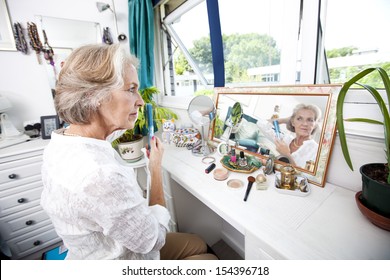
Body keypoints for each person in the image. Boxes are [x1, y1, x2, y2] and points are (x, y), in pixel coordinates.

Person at [40, 44, 217, 260]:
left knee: (197, 242)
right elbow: (154, 240)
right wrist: (155, 168)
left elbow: (110, 130)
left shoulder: (63, 141)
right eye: (131, 89)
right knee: (208, 259)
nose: (141, 101)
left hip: (100, 249)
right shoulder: (99, 175)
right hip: (126, 258)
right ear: (93, 96)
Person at [256, 103, 321, 169]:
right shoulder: (285, 139)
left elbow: (305, 177)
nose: (304, 124)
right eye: (299, 119)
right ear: (293, 122)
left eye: (310, 120)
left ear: (315, 124)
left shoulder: (317, 150)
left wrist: (287, 155)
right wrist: (285, 120)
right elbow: (261, 123)